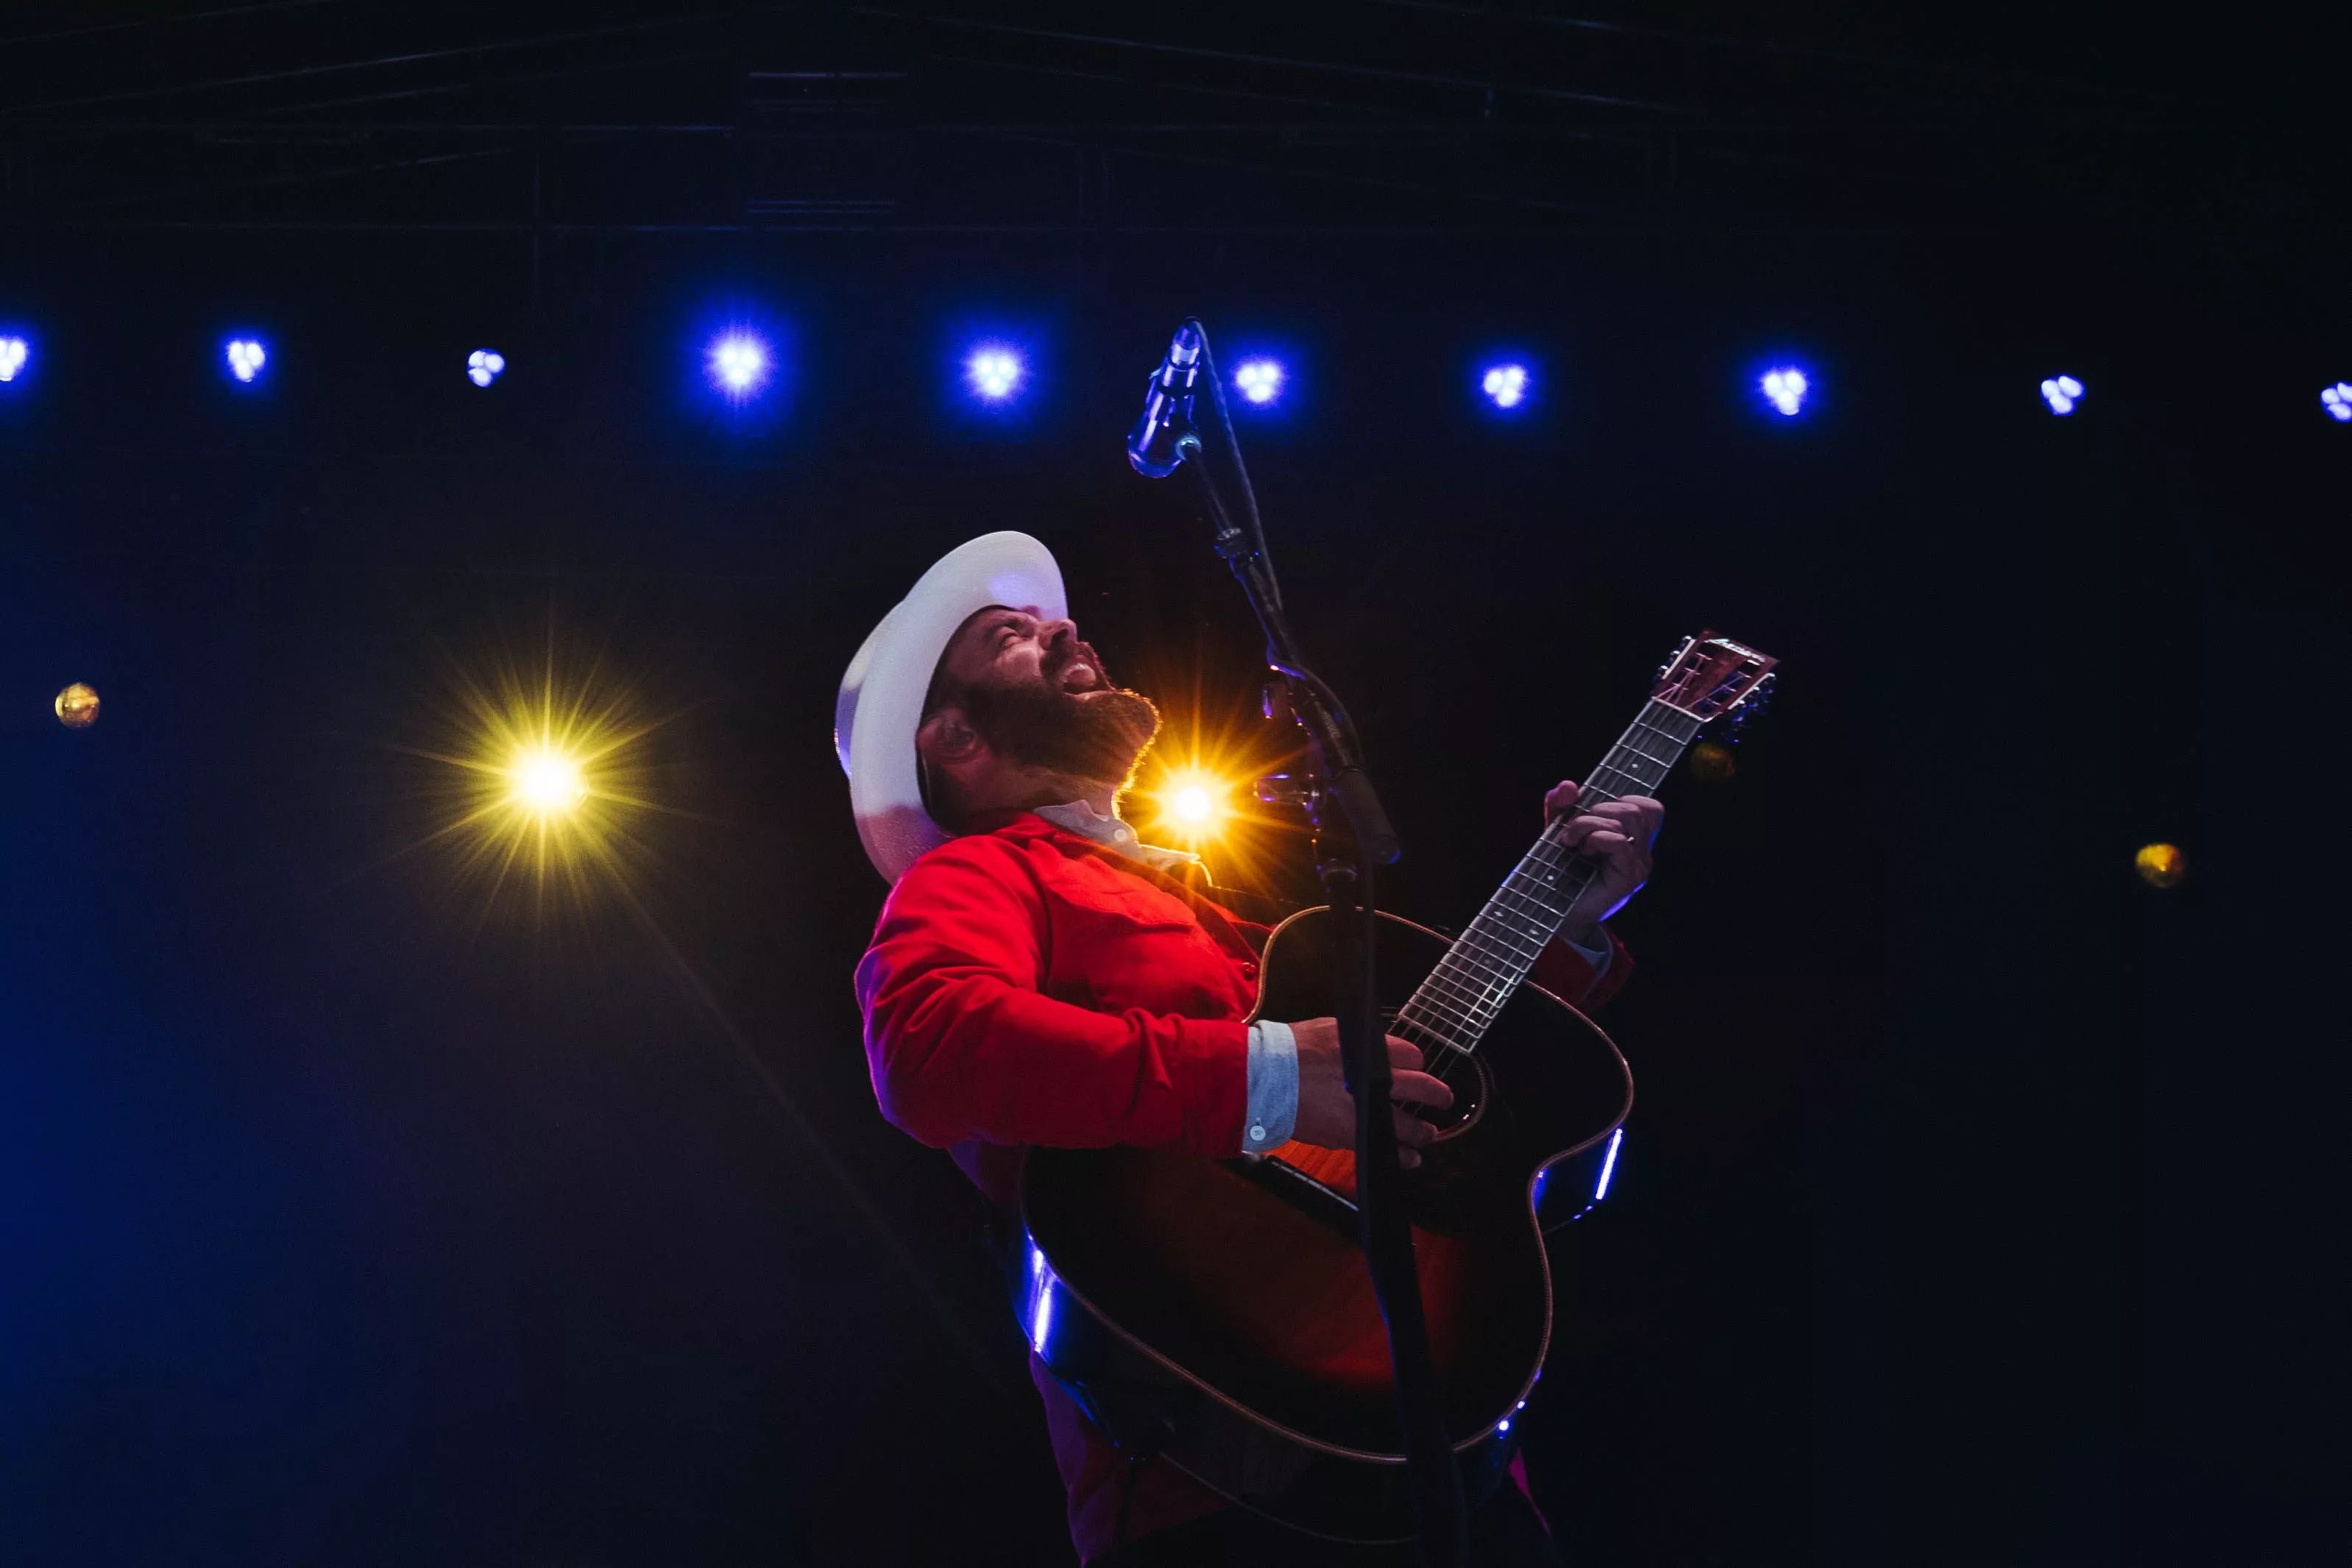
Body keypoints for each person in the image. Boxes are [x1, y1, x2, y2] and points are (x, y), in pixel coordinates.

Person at [837, 533, 1664, 1565]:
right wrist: (1264, 1077)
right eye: (1014, 635)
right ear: (954, 737)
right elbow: (929, 1047)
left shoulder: (1219, 907)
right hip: (1210, 1488)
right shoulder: (975, 878)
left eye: (1053, 620)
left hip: (1448, 1456)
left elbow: (1413, 1082)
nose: (1064, 627)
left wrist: (1568, 925)